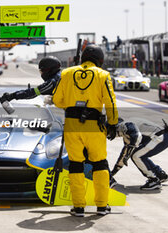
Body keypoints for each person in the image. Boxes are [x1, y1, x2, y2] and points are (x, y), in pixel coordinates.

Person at [52, 44, 119, 217]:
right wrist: (112, 123)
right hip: (94, 126)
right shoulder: (103, 75)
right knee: (100, 163)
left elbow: (57, 100)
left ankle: (79, 207)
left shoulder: (67, 73)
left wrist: (72, 102)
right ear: (100, 60)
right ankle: (102, 206)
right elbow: (110, 102)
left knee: (75, 164)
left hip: (72, 126)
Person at [111, 117, 168, 190]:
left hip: (160, 138)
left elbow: (137, 137)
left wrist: (128, 154)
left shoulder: (124, 126)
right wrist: (114, 171)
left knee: (136, 156)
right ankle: (160, 175)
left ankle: (154, 180)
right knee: (140, 155)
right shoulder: (126, 128)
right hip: (164, 137)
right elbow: (125, 153)